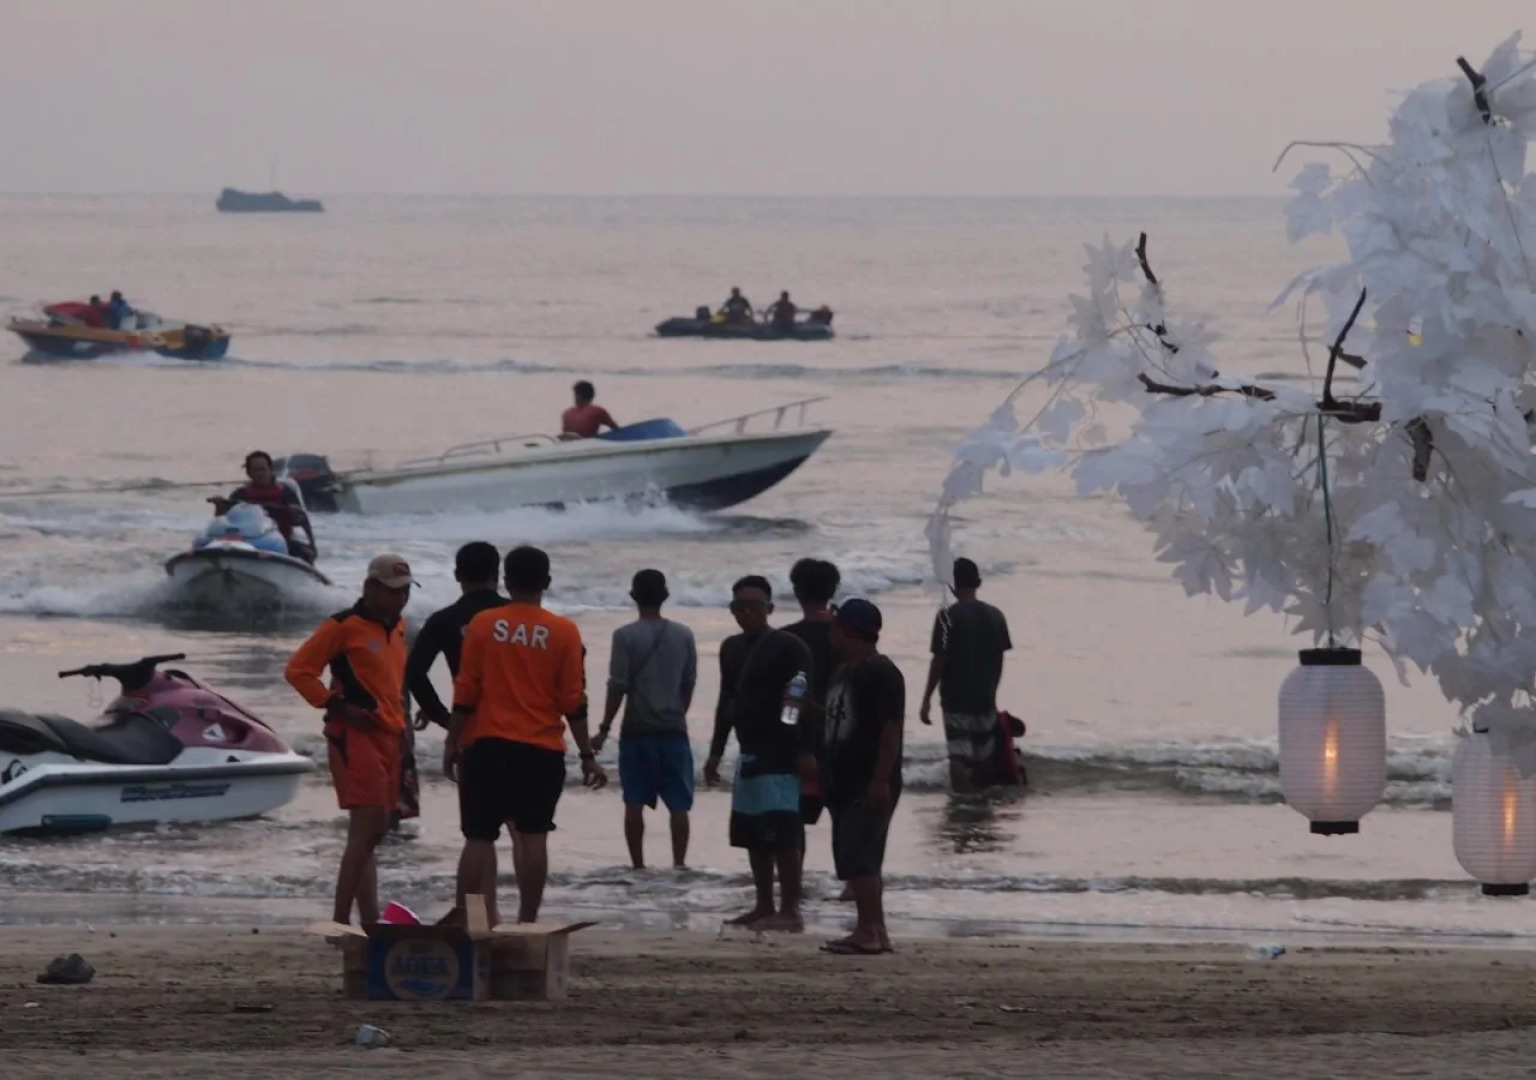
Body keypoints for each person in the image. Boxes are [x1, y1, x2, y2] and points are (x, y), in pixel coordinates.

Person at [447, 546, 607, 925]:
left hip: (487, 746)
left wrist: (453, 741)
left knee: (478, 837)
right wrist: (587, 754)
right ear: (547, 583)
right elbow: (572, 700)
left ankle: (472, 921)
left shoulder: (484, 624)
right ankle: (527, 921)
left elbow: (466, 690)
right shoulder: (564, 631)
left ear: (506, 580)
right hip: (541, 749)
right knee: (534, 836)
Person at [284, 554, 414, 926]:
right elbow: (298, 671)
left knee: (375, 831)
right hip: (354, 734)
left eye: (405, 591)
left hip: (391, 734)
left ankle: (370, 920)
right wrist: (336, 704)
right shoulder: (343, 625)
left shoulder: (399, 626)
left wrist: (406, 719)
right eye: (393, 591)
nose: (400, 598)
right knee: (367, 826)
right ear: (371, 587)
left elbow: (393, 681)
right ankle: (340, 921)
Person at [705, 575, 812, 931]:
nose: (746, 613)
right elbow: (726, 700)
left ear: (769, 608)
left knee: (782, 832)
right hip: (748, 749)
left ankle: (791, 910)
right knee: (753, 831)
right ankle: (763, 904)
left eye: (754, 606)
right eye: (739, 607)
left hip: (781, 751)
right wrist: (716, 752)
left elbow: (798, 697)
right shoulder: (731, 648)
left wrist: (802, 747)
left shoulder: (788, 646)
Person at [593, 569, 698, 870]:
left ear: (633, 597)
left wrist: (603, 729)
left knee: (634, 801)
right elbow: (688, 682)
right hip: (674, 729)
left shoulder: (625, 636)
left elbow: (618, 685)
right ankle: (679, 864)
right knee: (679, 804)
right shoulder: (684, 634)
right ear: (664, 596)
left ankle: (638, 865)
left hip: (637, 730)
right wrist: (678, 711)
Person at [817, 598, 904, 955]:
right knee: (856, 855)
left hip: (868, 776)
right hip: (843, 777)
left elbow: (890, 729)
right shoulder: (842, 672)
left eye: (836, 627)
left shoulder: (881, 673)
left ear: (852, 630)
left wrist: (881, 778)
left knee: (862, 855)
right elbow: (838, 718)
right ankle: (875, 929)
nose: (831, 634)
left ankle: (868, 929)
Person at [920, 557, 1013, 793]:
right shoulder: (996, 615)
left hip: (955, 697)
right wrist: (992, 689)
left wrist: (927, 699)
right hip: (985, 695)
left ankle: (962, 802)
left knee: (959, 755)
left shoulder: (947, 617)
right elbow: (1000, 659)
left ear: (951, 584)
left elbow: (939, 661)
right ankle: (980, 799)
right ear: (979, 582)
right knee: (983, 754)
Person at [406, 542, 504, 731]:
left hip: (471, 726)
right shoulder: (519, 618)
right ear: (496, 575)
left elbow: (414, 673)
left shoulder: (444, 620)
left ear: (457, 575)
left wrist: (443, 718)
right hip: (523, 726)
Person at [782, 558, 840, 828]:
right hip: (845, 745)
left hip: (800, 743)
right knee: (848, 830)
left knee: (792, 831)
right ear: (833, 590)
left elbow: (787, 702)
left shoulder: (786, 639)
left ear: (796, 591)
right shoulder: (852, 636)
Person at [209, 451, 318, 563]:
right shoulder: (241, 494)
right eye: (256, 470)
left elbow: (301, 517)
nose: (260, 474)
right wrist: (219, 506)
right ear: (249, 473)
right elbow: (225, 521)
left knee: (306, 553)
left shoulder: (285, 492)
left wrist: (312, 544)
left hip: (280, 542)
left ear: (270, 470)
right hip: (248, 542)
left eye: (263, 469)